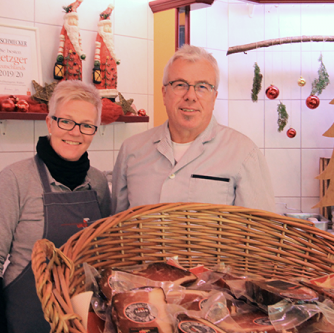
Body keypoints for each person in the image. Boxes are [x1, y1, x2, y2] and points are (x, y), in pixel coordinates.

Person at [0, 80, 111, 333]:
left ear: (94, 131)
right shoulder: (15, 179)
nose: (75, 132)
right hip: (28, 323)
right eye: (66, 121)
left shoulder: (97, 183)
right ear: (49, 123)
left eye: (86, 125)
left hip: (85, 329)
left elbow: (102, 255)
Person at [112, 45, 276, 213]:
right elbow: (116, 225)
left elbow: (260, 227)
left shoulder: (244, 154)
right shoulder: (131, 151)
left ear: (214, 97)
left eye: (202, 87)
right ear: (164, 93)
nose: (190, 96)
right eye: (180, 85)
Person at [55, 0, 85, 80]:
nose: (73, 22)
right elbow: (62, 41)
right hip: (67, 56)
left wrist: (81, 53)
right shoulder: (65, 28)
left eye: (75, 20)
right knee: (67, 72)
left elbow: (79, 43)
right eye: (72, 19)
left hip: (77, 58)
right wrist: (60, 54)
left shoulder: (76, 31)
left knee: (77, 72)